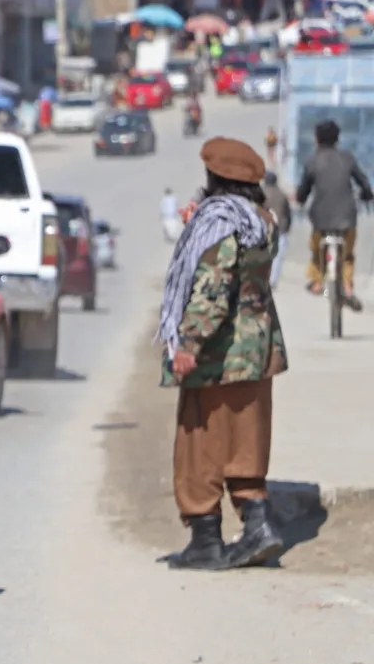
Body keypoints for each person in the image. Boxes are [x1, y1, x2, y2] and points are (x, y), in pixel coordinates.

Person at [158, 137, 287, 571]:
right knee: (247, 443)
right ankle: (257, 528)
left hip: (221, 354)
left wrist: (188, 345)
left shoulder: (221, 224)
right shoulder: (261, 220)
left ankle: (206, 541)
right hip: (258, 347)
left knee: (200, 443)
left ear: (216, 179)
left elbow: (211, 291)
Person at [297, 120, 373, 310]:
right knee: (347, 255)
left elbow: (303, 191)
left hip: (320, 219)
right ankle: (347, 287)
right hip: (347, 216)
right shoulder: (347, 158)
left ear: (316, 139)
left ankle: (316, 282)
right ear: (338, 138)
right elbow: (363, 182)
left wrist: (300, 199)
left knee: (316, 250)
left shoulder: (312, 161)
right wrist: (367, 196)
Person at [262, 171, 292, 287]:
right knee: (277, 257)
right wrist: (288, 228)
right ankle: (273, 280)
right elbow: (288, 214)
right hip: (280, 230)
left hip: (263, 229)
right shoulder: (282, 195)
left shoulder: (259, 193)